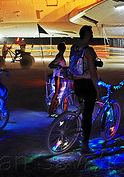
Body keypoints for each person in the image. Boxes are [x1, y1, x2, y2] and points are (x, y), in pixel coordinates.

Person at [69, 26, 100, 154]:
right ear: (87, 35)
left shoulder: (74, 47)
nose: (92, 36)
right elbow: (93, 72)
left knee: (83, 109)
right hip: (87, 84)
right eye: (91, 33)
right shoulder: (89, 51)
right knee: (88, 115)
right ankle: (85, 146)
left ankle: (78, 127)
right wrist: (97, 90)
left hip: (76, 83)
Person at [47, 42, 68, 116]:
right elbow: (50, 65)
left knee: (60, 93)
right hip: (57, 77)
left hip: (60, 77)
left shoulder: (60, 56)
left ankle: (58, 109)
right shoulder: (59, 57)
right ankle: (51, 110)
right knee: (56, 93)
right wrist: (58, 67)